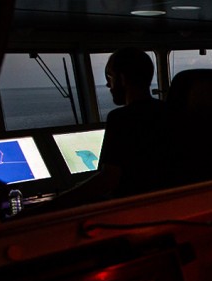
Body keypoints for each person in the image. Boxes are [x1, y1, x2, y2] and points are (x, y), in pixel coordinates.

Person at [41, 47, 168, 210]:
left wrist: (52, 205)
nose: (108, 84)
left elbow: (108, 179)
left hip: (131, 209)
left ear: (122, 79)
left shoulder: (121, 118)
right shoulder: (170, 111)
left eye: (110, 77)